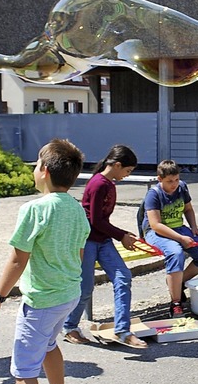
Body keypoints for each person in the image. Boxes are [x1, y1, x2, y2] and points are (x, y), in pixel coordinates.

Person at [0, 139, 89, 384]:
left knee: (24, 371)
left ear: (43, 169)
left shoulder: (34, 209)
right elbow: (77, 255)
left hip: (42, 300)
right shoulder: (78, 210)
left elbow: (18, 260)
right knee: (49, 346)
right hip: (69, 294)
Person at [62, 145, 147, 349]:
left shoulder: (109, 183)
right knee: (85, 288)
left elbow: (102, 221)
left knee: (123, 277)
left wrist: (121, 235)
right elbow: (96, 221)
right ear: (117, 165)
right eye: (127, 171)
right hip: (88, 240)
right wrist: (122, 236)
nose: (128, 175)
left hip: (103, 240)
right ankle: (70, 327)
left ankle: (122, 331)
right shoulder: (99, 184)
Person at [141, 160, 198, 318]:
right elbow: (155, 225)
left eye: (176, 180)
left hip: (179, 227)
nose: (174, 184)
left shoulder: (182, 187)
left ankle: (176, 282)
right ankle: (175, 303)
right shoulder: (153, 194)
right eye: (169, 181)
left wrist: (193, 227)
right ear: (159, 179)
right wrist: (181, 238)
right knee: (176, 253)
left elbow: (188, 209)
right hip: (156, 232)